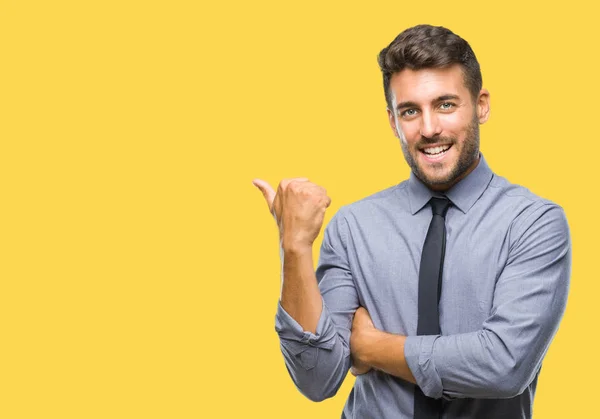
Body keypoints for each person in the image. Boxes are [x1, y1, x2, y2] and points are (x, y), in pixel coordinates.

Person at [252, 24, 570, 419]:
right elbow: (318, 379)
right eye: (410, 111)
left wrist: (371, 346)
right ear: (392, 121)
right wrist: (295, 248)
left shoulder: (533, 223)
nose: (429, 128)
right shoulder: (354, 228)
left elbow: (504, 365)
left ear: (482, 105)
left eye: (446, 105)